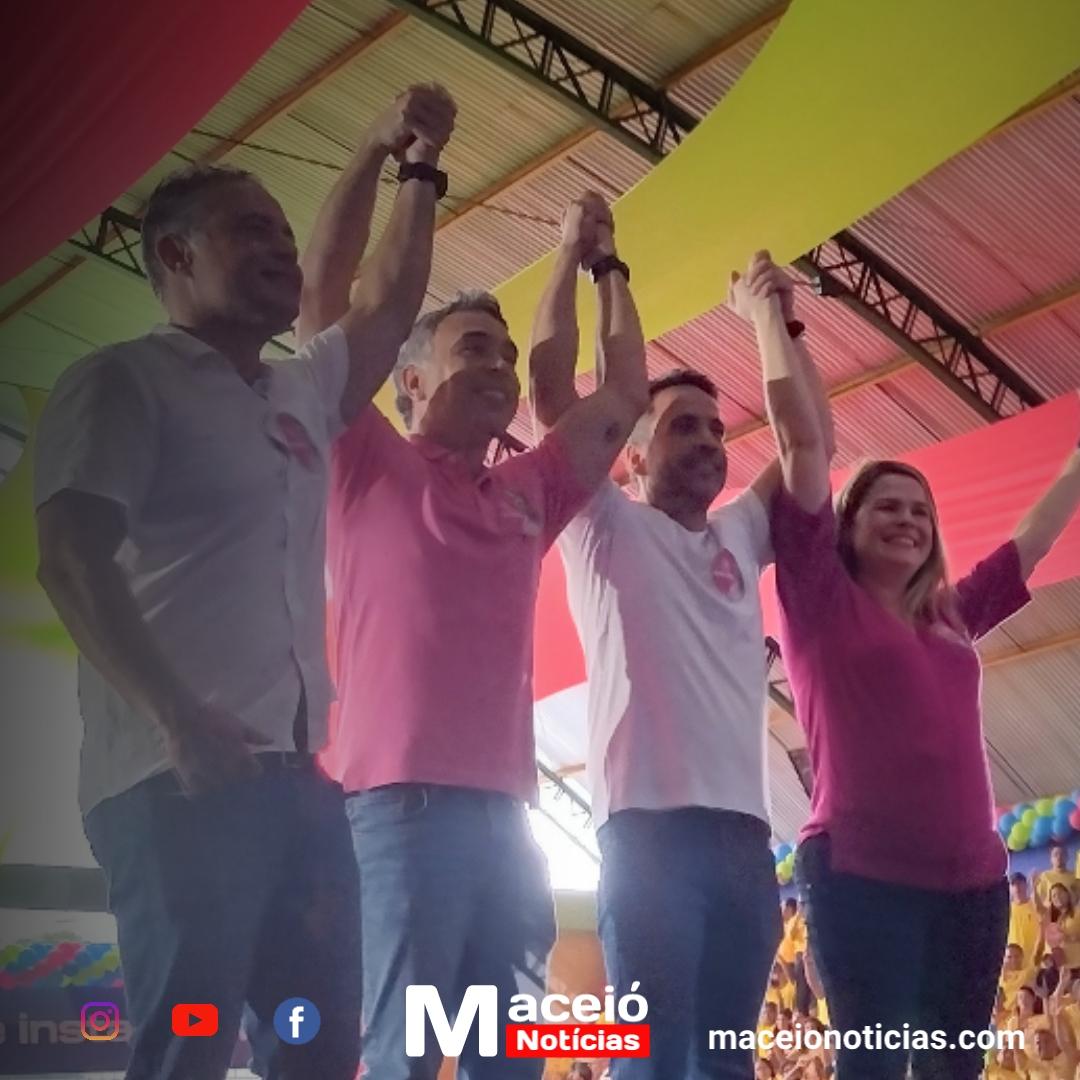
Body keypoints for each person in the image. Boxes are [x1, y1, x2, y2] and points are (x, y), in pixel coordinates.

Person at [32, 85, 456, 1080]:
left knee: (316, 1050)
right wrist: (177, 717)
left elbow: (388, 304)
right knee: (187, 1049)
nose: (281, 251)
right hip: (173, 786)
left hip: (297, 790)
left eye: (283, 233)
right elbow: (71, 556)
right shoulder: (122, 382)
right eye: (248, 233)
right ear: (175, 256)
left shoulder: (296, 390)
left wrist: (413, 161)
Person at [300, 182, 648, 1078]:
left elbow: (621, 394)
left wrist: (595, 262)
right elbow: (326, 305)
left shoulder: (525, 492)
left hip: (508, 824)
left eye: (504, 351)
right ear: (409, 380)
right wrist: (396, 160)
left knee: (507, 1064)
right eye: (472, 351)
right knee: (406, 1056)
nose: (497, 366)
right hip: (395, 815)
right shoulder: (364, 459)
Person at [764, 240, 1080, 1079]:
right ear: (848, 523)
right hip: (860, 873)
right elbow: (804, 447)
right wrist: (777, 323)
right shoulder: (819, 598)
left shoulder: (951, 614)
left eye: (920, 511)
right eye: (887, 507)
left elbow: (1031, 544)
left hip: (973, 883)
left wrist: (1079, 463)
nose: (908, 520)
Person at [533, 248, 831, 1079]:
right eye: (680, 426)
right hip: (646, 838)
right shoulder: (604, 524)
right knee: (654, 1064)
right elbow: (555, 397)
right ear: (628, 452)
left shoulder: (741, 531)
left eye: (714, 428)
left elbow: (809, 438)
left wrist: (775, 319)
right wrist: (596, 267)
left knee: (726, 1067)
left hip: (744, 842)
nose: (706, 440)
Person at [1037, 878, 1080, 976]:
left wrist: (1073, 937)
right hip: (1054, 969)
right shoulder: (1048, 918)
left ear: (1068, 895)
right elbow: (1041, 943)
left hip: (1076, 967)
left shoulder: (1077, 914)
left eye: (1060, 893)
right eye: (1054, 896)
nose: (1058, 897)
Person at [1010, 872, 1044, 965]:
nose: (1017, 887)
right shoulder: (1007, 909)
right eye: (1013, 884)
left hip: (1035, 960)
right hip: (1014, 961)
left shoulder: (1035, 906)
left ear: (1026, 885)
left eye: (1020, 883)